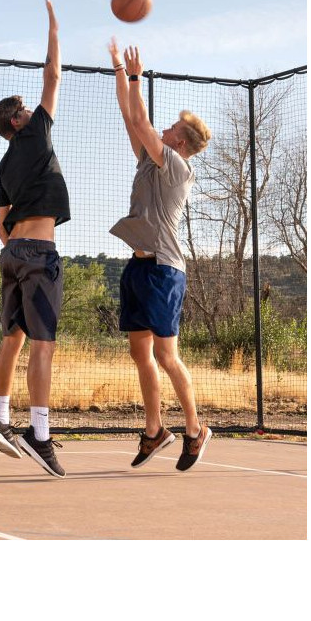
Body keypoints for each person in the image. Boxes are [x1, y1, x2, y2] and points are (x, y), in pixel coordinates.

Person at [107, 37, 214, 472]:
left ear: (180, 143)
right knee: (140, 353)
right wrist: (120, 71)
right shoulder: (149, 160)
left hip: (165, 271)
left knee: (167, 356)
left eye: (170, 129)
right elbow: (129, 116)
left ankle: (195, 429)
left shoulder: (176, 165)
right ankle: (155, 431)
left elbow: (140, 118)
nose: (163, 130)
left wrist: (136, 76)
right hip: (138, 267)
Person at [0, 0, 69, 477]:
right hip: (38, 253)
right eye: (24, 109)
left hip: (12, 253)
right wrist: (54, 28)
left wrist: (18, 244)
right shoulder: (35, 135)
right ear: (18, 122)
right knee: (42, 345)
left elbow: (1, 227)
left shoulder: (3, 166)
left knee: (12, 339)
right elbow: (52, 75)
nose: (32, 109)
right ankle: (39, 435)